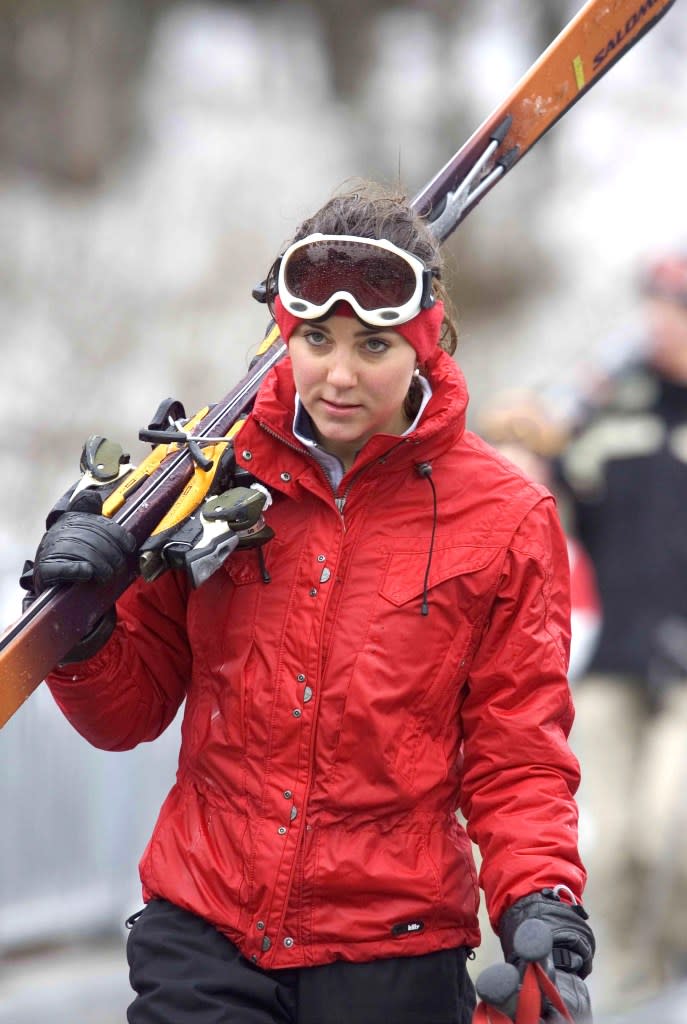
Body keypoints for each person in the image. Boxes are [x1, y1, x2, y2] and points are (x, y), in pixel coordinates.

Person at [22, 183, 595, 1024]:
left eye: (373, 345)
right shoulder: (204, 480)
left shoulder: (505, 520)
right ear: (283, 336)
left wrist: (539, 899)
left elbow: (516, 752)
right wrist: (83, 630)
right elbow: (127, 712)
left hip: (392, 948)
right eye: (316, 340)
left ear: (425, 348)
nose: (338, 373)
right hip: (206, 927)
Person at [556, 250, 687, 1005]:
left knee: (665, 830)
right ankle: (635, 989)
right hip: (611, 664)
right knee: (609, 847)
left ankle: (672, 965)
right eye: (656, 305)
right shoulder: (606, 409)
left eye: (677, 308)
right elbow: (532, 489)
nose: (661, 322)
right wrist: (547, 418)